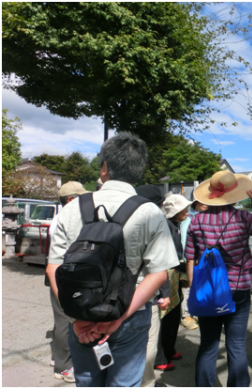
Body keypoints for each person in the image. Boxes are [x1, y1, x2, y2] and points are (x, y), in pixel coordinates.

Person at [47, 132, 178, 387]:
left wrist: (78, 319)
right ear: (138, 170)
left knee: (86, 381)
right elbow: (159, 274)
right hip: (131, 314)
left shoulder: (72, 208)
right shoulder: (150, 211)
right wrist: (119, 317)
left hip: (80, 313)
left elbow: (54, 267)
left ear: (104, 167)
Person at [185, 170, 252, 387]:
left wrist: (194, 290)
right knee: (237, 345)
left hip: (208, 291)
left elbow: (190, 259)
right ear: (233, 193)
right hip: (238, 289)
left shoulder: (196, 221)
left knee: (208, 344)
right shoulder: (243, 218)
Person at [47, 181, 89, 383]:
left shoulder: (60, 217)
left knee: (61, 319)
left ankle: (58, 356)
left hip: (60, 272)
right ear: (71, 199)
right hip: (62, 273)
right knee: (65, 320)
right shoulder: (65, 218)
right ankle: (63, 366)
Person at [135, 184, 169, 388]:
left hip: (120, 291)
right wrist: (164, 295)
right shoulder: (157, 222)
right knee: (148, 340)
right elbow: (162, 267)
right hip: (147, 291)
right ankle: (146, 382)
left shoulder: (121, 216)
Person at [154, 193, 193, 372]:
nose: (187, 211)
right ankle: (160, 357)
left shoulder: (174, 225)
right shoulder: (167, 227)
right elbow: (167, 257)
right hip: (167, 277)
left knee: (174, 316)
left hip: (174, 275)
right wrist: (188, 267)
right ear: (175, 211)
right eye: (184, 208)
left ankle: (169, 350)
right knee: (166, 317)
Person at [179, 199, 208, 330]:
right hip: (190, 259)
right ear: (195, 203)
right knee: (187, 286)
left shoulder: (205, 217)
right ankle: (186, 315)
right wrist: (188, 258)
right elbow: (184, 239)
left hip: (201, 259)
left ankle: (195, 312)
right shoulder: (189, 217)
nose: (206, 205)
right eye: (202, 202)